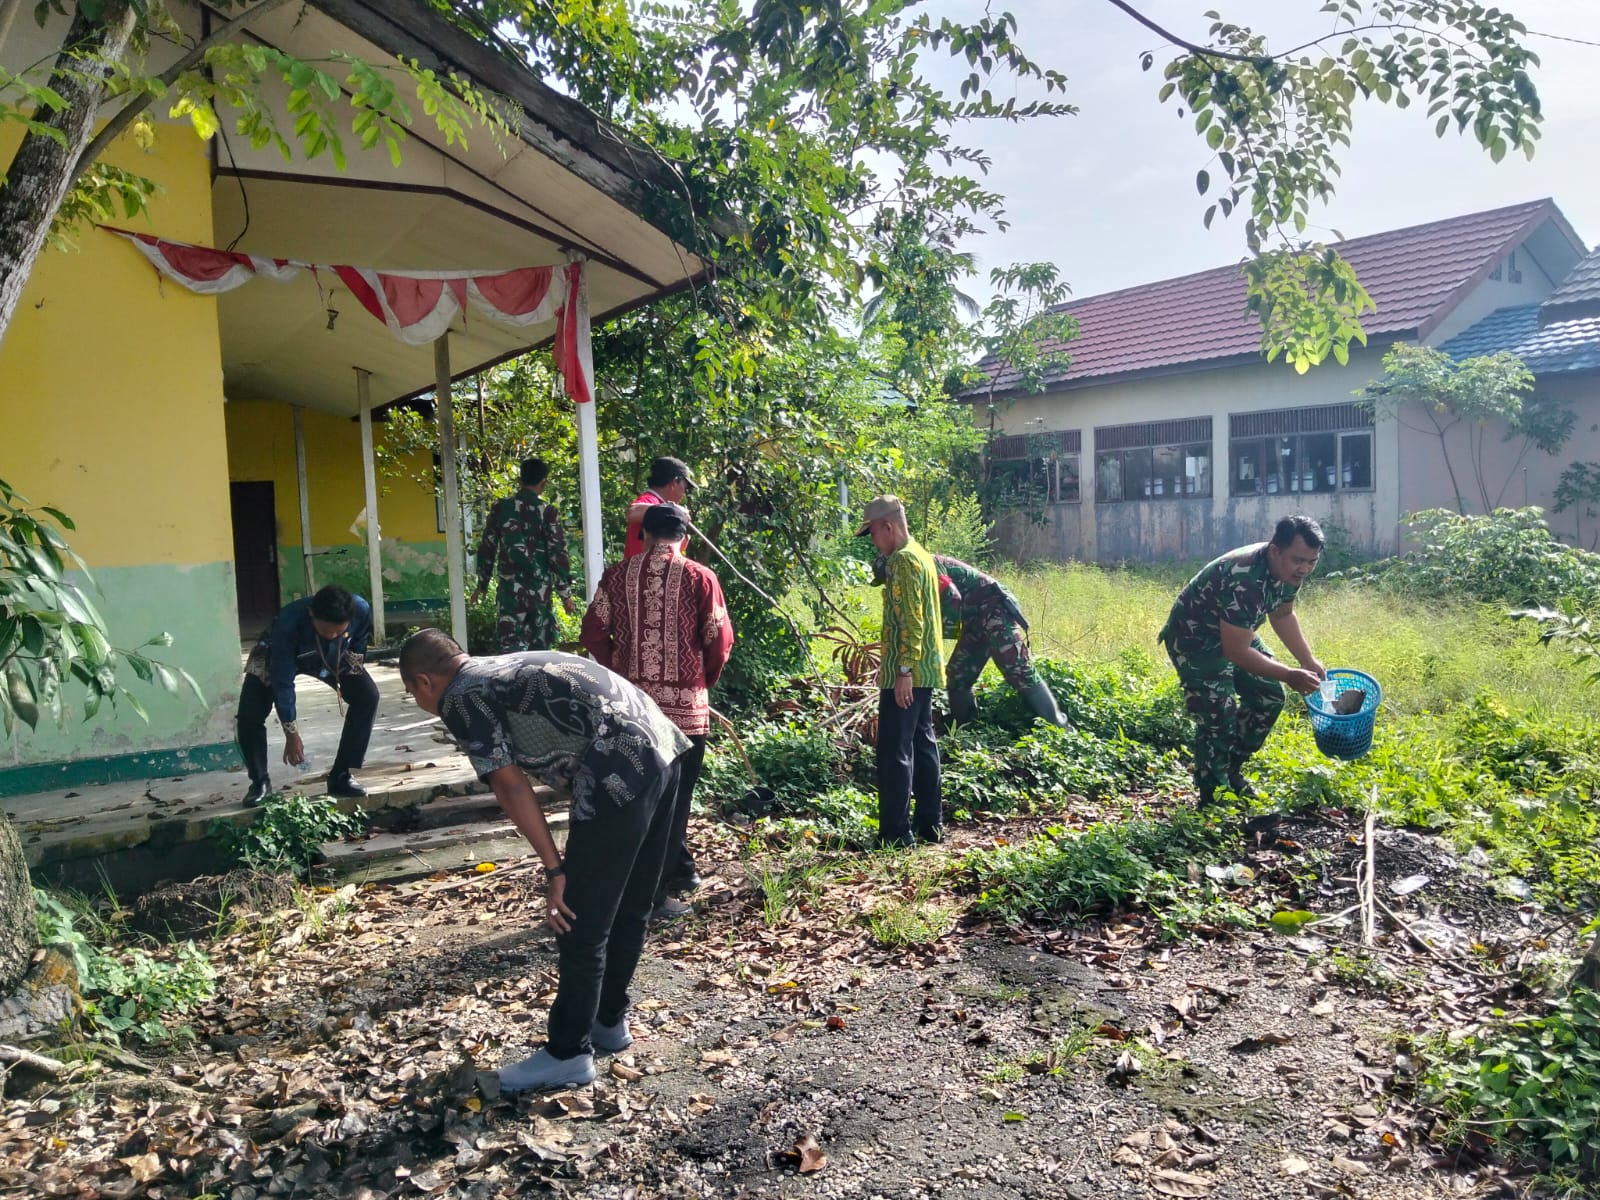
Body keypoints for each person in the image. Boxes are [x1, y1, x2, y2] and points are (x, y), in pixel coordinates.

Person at [400, 630, 691, 1092]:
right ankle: (608, 1023)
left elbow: (509, 786)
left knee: (578, 917)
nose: (418, 702)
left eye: (413, 694)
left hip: (617, 766)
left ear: (423, 681)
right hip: (662, 746)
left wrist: (556, 870)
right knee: (634, 902)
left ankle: (568, 1053)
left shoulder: (460, 695)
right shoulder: (500, 665)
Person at [580, 503, 735, 921]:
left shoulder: (616, 576)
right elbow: (718, 640)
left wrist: (616, 673)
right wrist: (700, 682)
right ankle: (656, 897)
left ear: (645, 535)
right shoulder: (701, 577)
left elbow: (593, 630)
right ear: (683, 538)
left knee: (630, 799)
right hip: (685, 716)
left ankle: (619, 890)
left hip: (632, 710)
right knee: (675, 804)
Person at [1158, 515, 1328, 808]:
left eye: (1312, 562)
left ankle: (1230, 771)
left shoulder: (1288, 572)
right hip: (1195, 640)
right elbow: (1236, 652)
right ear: (1275, 550)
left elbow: (1283, 614)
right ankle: (1213, 798)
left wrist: (1307, 660)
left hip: (1235, 633)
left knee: (1270, 696)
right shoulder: (1245, 579)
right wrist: (1290, 673)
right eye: (1299, 560)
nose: (1305, 568)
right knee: (1218, 716)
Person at [873, 551, 1067, 728]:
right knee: (958, 674)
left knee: (1018, 668)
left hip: (994, 608)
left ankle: (1060, 727)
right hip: (974, 618)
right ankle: (966, 728)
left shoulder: (923, 567)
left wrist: (933, 634)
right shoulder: (911, 571)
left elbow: (952, 597)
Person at [235, 584, 377, 805]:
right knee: (249, 714)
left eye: (339, 631)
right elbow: (282, 681)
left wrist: (348, 673)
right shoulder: (287, 623)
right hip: (280, 654)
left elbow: (358, 644)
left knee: (367, 696)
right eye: (326, 630)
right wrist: (291, 733)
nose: (332, 635)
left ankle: (341, 775)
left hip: (333, 657)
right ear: (312, 613)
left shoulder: (360, 609)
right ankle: (260, 782)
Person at [858, 495, 944, 847]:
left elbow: (912, 620)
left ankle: (895, 834)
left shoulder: (905, 561)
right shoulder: (922, 555)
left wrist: (904, 670)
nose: (873, 542)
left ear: (888, 527)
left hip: (908, 672)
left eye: (873, 533)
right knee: (923, 745)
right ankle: (929, 825)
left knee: (894, 750)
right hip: (925, 670)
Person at [472, 457, 576, 652]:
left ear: (519, 481)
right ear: (544, 483)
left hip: (510, 593)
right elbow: (557, 554)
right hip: (540, 595)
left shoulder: (501, 509)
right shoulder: (548, 512)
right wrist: (565, 595)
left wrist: (482, 584)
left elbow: (487, 547)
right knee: (539, 655)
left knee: (511, 654)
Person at [623, 456, 697, 558]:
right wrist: (674, 510)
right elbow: (632, 512)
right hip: (641, 571)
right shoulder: (649, 500)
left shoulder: (657, 502)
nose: (684, 494)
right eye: (685, 488)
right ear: (674, 482)